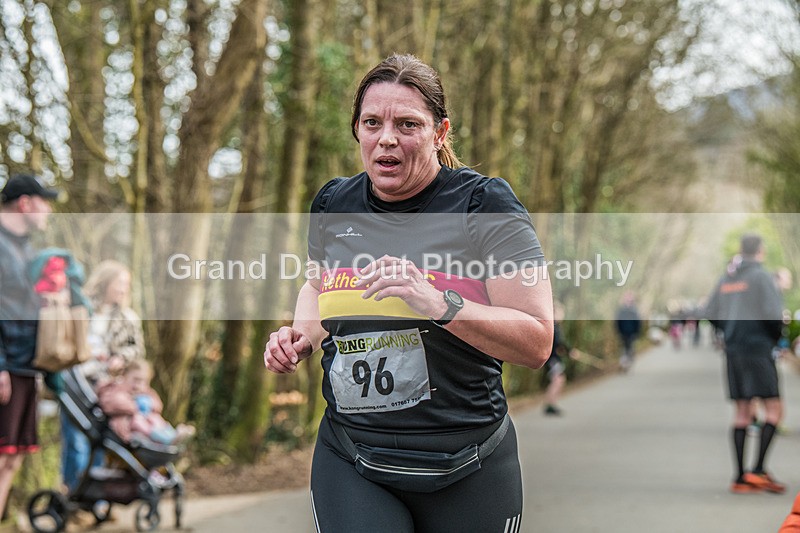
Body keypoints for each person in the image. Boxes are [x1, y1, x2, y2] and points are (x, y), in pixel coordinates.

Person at [265, 54, 553, 532]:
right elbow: (318, 286)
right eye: (373, 122)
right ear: (357, 130)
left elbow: (537, 341)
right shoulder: (334, 204)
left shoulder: (483, 205)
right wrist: (300, 336)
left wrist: (440, 303)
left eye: (408, 124)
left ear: (440, 133)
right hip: (353, 456)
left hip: (468, 460)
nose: (387, 138)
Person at [705, 233, 786, 494]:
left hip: (734, 351)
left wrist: (728, 331)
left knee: (742, 411)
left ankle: (740, 477)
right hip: (758, 349)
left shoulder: (727, 278)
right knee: (773, 409)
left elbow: (710, 312)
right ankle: (758, 471)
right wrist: (774, 339)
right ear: (760, 251)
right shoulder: (761, 276)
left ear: (741, 250)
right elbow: (774, 315)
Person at [0, 173, 58, 521]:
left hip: (26, 366)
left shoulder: (27, 250)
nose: (49, 210)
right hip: (6, 369)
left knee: (11, 459)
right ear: (25, 203)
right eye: (44, 201)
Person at [60, 260, 146, 492]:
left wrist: (120, 358)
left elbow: (136, 349)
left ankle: (93, 496)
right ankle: (72, 492)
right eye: (119, 283)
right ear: (106, 282)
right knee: (75, 439)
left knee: (98, 439)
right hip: (74, 381)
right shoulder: (81, 308)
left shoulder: (128, 318)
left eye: (126, 285)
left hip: (105, 385)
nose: (122, 289)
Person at [97, 360, 194, 445]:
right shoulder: (117, 388)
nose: (138, 385)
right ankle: (166, 438)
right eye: (136, 380)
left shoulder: (146, 392)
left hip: (148, 423)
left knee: (155, 418)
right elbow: (110, 403)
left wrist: (150, 403)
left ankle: (172, 433)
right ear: (125, 376)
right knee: (138, 420)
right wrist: (134, 405)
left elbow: (158, 405)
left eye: (144, 382)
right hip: (128, 428)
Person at [543, 301, 572, 416]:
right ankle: (550, 404)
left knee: (558, 380)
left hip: (553, 358)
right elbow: (558, 343)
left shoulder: (555, 327)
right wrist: (569, 351)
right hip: (552, 360)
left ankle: (551, 403)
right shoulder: (554, 327)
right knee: (557, 380)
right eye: (560, 313)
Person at [615, 292, 641, 372]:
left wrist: (637, 332)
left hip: (632, 333)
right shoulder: (621, 311)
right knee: (625, 349)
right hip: (623, 333)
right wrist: (618, 331)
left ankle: (628, 363)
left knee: (630, 348)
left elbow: (638, 323)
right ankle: (624, 363)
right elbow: (617, 322)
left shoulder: (634, 311)